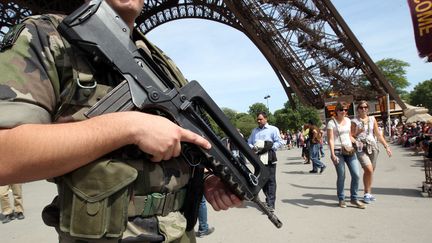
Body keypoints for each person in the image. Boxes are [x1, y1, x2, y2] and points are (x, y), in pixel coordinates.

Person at [0, 0, 241, 242]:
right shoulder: (45, 36)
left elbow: (187, 138)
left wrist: (208, 178)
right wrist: (128, 127)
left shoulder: (160, 61)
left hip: (179, 232)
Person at [351, 100, 392, 203]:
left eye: (365, 107)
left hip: (373, 146)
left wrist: (386, 146)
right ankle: (366, 194)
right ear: (358, 109)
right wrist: (357, 134)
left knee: (370, 171)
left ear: (368, 109)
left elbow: (378, 134)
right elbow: (351, 136)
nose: (363, 109)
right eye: (361, 107)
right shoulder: (354, 121)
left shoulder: (372, 119)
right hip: (360, 146)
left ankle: (367, 193)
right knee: (368, 169)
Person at [327, 102, 365, 209]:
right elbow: (330, 139)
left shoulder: (348, 121)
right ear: (337, 111)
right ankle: (341, 199)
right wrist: (332, 154)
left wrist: (356, 142)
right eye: (341, 110)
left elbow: (349, 136)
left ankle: (354, 198)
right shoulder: (331, 123)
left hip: (349, 150)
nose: (344, 112)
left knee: (356, 174)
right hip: (338, 151)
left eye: (345, 110)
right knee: (342, 176)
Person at [247, 112, 282, 212]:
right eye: (257, 119)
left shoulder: (273, 129)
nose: (258, 121)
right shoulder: (254, 131)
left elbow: (279, 142)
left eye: (260, 119)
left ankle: (271, 204)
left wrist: (269, 148)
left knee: (271, 180)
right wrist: (253, 148)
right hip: (258, 159)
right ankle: (268, 199)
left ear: (266, 119)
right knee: (261, 181)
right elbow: (249, 142)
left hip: (270, 158)